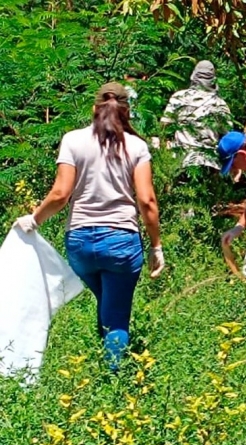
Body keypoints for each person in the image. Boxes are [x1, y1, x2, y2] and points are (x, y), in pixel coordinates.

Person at [13, 82, 164, 371]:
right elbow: (147, 200)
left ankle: (101, 362)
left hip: (80, 243)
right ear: (127, 111)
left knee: (107, 302)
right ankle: (113, 383)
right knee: (117, 314)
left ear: (94, 109)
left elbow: (60, 194)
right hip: (121, 242)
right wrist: (156, 246)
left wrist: (33, 219)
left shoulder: (73, 140)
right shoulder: (137, 146)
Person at [160, 60, 231, 169]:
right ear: (213, 79)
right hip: (209, 162)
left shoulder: (179, 97)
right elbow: (227, 136)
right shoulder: (219, 103)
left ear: (193, 75)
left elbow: (164, 127)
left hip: (181, 160)